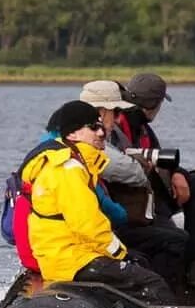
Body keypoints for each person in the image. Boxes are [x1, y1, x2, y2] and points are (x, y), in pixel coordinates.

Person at [20, 100, 172, 303]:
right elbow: (87, 224)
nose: (102, 133)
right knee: (152, 283)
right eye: (93, 128)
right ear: (72, 134)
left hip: (72, 254)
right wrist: (119, 253)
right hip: (71, 260)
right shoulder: (68, 170)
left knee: (140, 262)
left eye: (101, 126)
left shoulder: (78, 164)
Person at [80, 79, 189, 293]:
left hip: (99, 233)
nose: (119, 119)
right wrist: (120, 252)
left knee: (165, 238)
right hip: (87, 247)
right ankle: (172, 301)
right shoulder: (86, 152)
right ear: (102, 113)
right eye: (116, 112)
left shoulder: (63, 147)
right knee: (174, 243)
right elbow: (133, 173)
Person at [117, 72, 195, 287]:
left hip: (146, 194)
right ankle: (177, 284)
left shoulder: (141, 127)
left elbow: (159, 157)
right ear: (155, 104)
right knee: (174, 238)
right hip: (132, 202)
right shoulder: (120, 131)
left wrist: (177, 173)